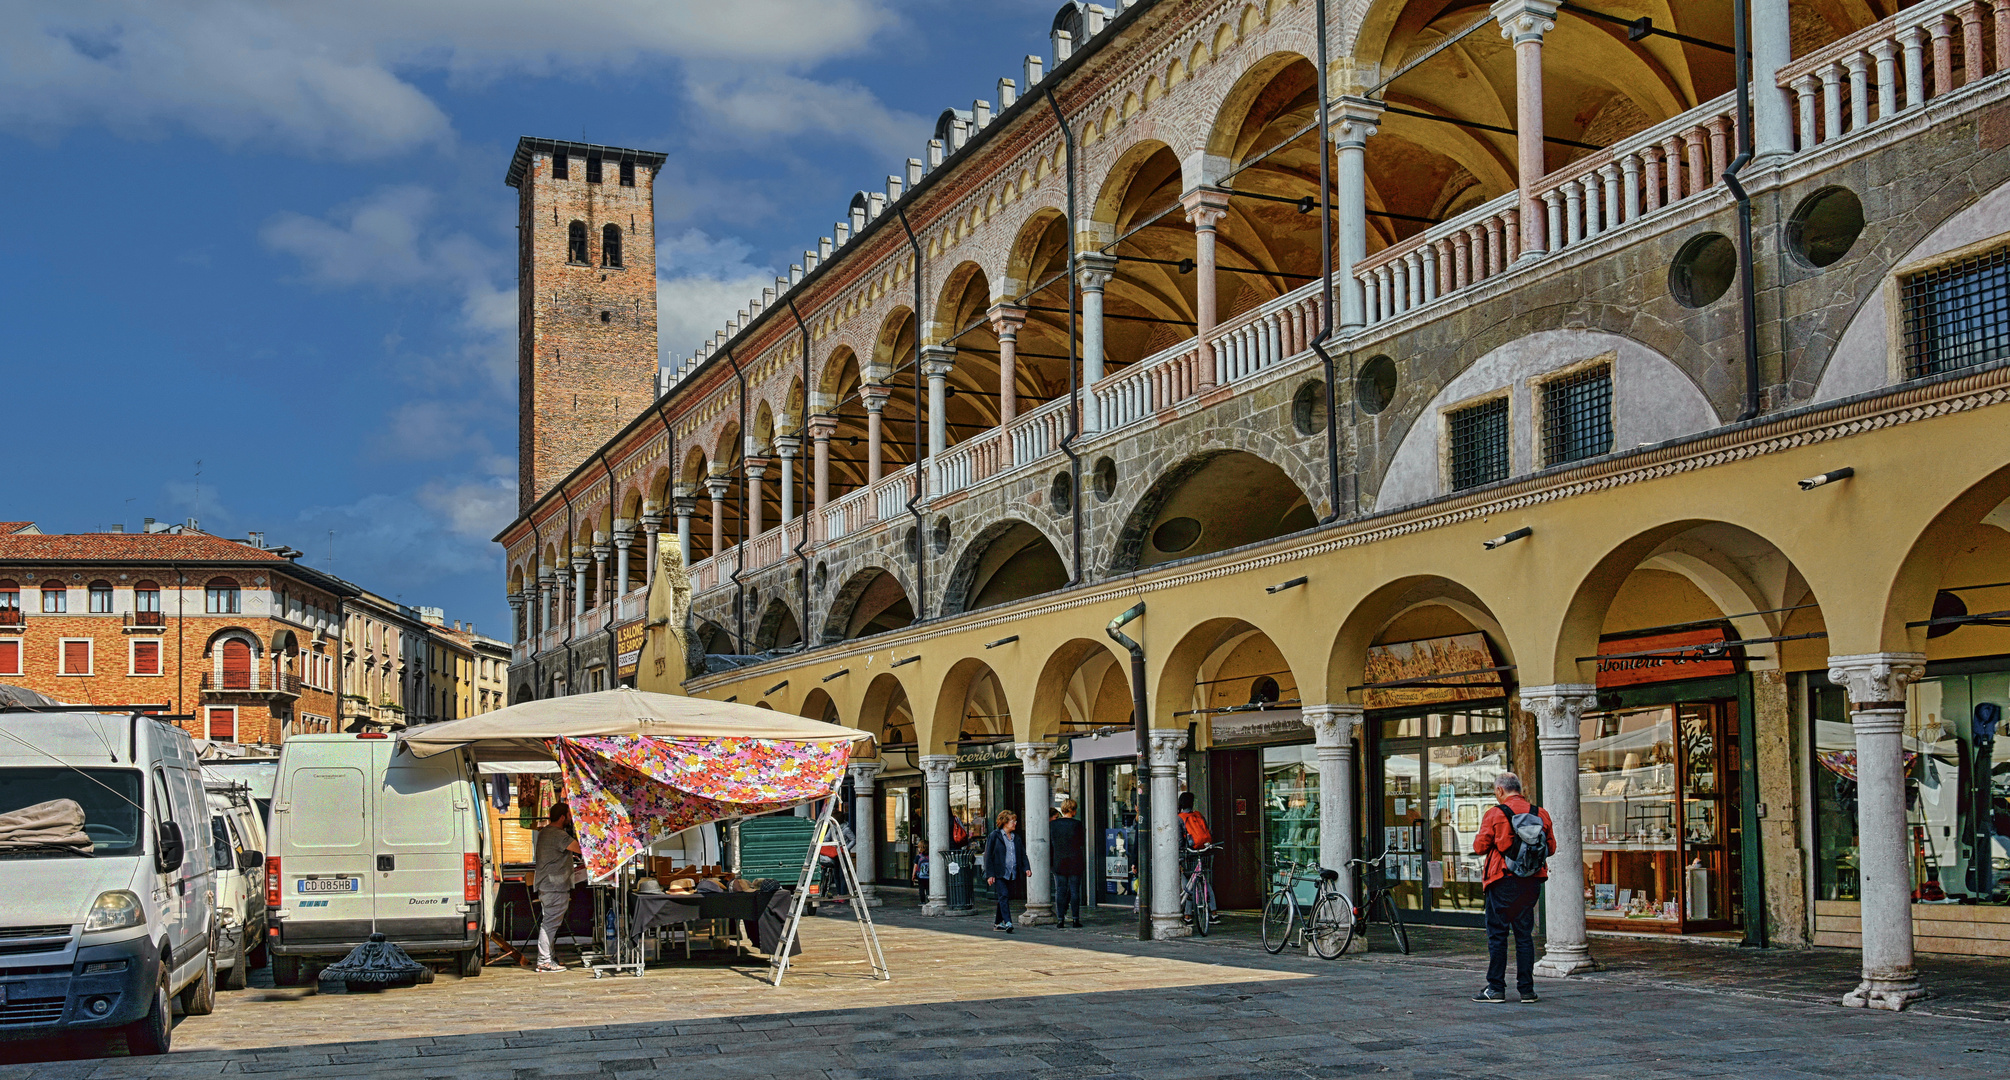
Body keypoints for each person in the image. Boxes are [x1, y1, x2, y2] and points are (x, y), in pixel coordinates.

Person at [1470, 772, 1554, 1003]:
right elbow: (1552, 847)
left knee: (1497, 935)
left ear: (1500, 791)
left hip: (1501, 880)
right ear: (1520, 788)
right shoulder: (1541, 813)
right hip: (1531, 880)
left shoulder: (1495, 814)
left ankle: (1495, 988)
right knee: (1524, 935)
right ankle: (1527, 990)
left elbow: (1479, 847)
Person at [532, 801, 583, 974]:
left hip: (547, 885)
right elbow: (580, 849)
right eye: (569, 816)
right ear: (562, 817)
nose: (570, 819)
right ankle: (544, 961)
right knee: (550, 924)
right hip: (554, 886)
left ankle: (548, 958)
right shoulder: (558, 835)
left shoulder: (544, 832)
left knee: (550, 922)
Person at [983, 809, 1027, 932]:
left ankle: (997, 923)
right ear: (1005, 822)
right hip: (998, 873)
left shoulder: (1016, 838)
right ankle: (1008, 922)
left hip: (1012, 872)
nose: (1015, 823)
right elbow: (988, 856)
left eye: (1015, 820)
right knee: (1004, 895)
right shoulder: (994, 836)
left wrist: (1026, 868)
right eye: (1012, 821)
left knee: (1004, 897)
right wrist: (990, 874)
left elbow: (1022, 854)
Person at [1050, 798, 1086, 928]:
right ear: (1073, 810)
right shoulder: (1077, 824)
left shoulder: (1053, 825)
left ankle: (1060, 919)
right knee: (1075, 890)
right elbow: (1081, 842)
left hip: (1059, 861)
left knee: (1060, 890)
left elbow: (1051, 843)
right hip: (1075, 860)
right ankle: (1075, 919)